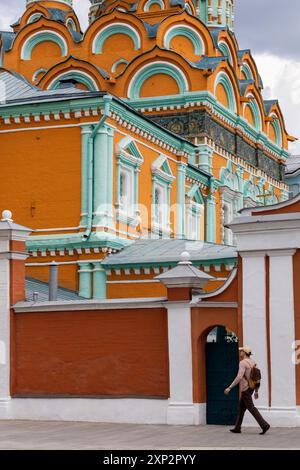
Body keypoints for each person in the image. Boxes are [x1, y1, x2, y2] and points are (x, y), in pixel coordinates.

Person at [224, 346, 270, 435]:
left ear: (244, 353)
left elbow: (239, 377)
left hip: (245, 389)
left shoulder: (242, 363)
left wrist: (229, 387)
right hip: (251, 388)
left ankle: (264, 425)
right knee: (241, 409)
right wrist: (256, 391)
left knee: (251, 408)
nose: (240, 352)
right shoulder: (253, 362)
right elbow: (257, 378)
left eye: (241, 351)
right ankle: (237, 428)